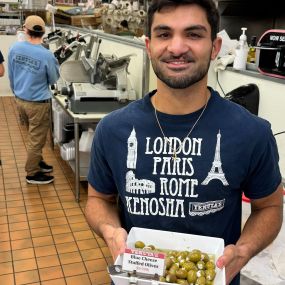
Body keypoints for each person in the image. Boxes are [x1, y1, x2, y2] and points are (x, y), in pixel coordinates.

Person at [85, 0, 284, 284]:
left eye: (193, 34)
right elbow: (98, 199)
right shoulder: (112, 129)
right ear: (148, 45)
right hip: (138, 275)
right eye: (164, 34)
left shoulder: (252, 132)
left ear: (215, 47)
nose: (177, 48)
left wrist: (243, 251)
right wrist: (110, 230)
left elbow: (270, 207)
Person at [8, 15, 60, 184]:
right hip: (38, 104)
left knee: (33, 135)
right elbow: (53, 80)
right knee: (36, 139)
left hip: (20, 100)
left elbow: (11, 74)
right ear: (43, 33)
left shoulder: (15, 48)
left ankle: (38, 161)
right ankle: (32, 173)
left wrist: (17, 92)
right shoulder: (47, 56)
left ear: (25, 29)